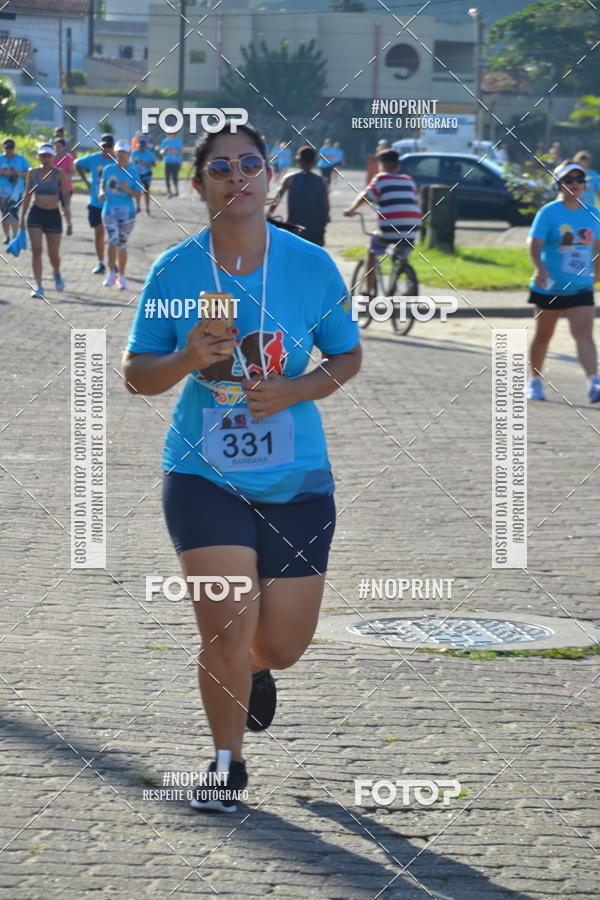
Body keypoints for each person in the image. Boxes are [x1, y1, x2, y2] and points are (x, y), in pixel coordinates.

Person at [122, 120, 361, 813]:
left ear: (268, 177)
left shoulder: (311, 266)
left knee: (279, 645)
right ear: (200, 185)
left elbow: (346, 357)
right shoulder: (175, 270)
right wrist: (187, 360)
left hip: (298, 481)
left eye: (248, 165)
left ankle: (255, 671)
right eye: (220, 169)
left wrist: (295, 389)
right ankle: (226, 765)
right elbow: (139, 375)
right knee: (224, 628)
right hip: (203, 476)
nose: (236, 179)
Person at [526, 160, 600, 403]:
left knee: (584, 333)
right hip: (550, 285)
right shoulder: (549, 212)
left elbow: (598, 247)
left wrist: (597, 273)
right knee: (544, 335)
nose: (575, 184)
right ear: (559, 184)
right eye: (569, 180)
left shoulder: (593, 213)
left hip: (580, 286)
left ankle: (594, 382)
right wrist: (540, 269)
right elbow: (534, 244)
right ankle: (534, 381)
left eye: (580, 180)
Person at [343, 148, 421, 295]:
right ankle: (408, 278)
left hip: (390, 228)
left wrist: (351, 209)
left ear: (381, 165)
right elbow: (416, 201)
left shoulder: (381, 179)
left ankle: (368, 290)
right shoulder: (408, 180)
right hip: (412, 225)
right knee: (403, 249)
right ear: (398, 166)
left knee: (372, 251)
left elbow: (366, 196)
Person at [19, 143, 69, 298]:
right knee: (36, 250)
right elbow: (27, 195)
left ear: (52, 157)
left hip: (53, 215)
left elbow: (65, 194)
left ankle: (56, 272)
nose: (46, 158)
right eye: (43, 155)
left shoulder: (59, 173)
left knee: (53, 254)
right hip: (36, 213)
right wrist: (22, 217)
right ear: (38, 156)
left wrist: (66, 208)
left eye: (48, 155)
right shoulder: (32, 173)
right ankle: (39, 285)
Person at [98, 139, 140, 290]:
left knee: (121, 245)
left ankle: (121, 276)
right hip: (109, 211)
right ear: (115, 153)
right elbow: (103, 184)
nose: (121, 156)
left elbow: (138, 194)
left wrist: (127, 189)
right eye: (119, 153)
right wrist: (102, 193)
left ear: (129, 155)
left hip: (127, 214)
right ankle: (111, 273)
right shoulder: (108, 169)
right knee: (112, 240)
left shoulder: (133, 171)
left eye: (124, 153)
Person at [267, 145, 329, 246]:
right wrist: (326, 218)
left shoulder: (289, 178)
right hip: (316, 230)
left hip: (296, 229)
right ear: (314, 162)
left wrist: (268, 214)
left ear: (298, 160)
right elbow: (326, 205)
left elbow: (276, 199)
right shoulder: (323, 181)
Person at [76, 133, 115, 275]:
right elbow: (77, 164)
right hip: (95, 203)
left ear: (113, 147)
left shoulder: (117, 161)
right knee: (99, 233)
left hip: (112, 204)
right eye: (103, 146)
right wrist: (85, 181)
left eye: (109, 146)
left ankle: (113, 263)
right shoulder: (93, 159)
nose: (106, 149)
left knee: (112, 235)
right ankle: (101, 263)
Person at [0, 138, 29, 243]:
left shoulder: (21, 159)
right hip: (2, 192)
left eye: (11, 148)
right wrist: (2, 172)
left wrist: (16, 174)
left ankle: (16, 237)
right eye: (7, 148)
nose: (9, 150)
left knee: (13, 211)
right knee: (4, 214)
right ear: (4, 148)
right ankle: (7, 236)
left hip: (17, 191)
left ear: (14, 148)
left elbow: (29, 172)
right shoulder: (0, 158)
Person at [52, 138, 74, 235]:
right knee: (53, 208)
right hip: (53, 188)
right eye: (56, 146)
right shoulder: (51, 158)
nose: (57, 148)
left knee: (66, 208)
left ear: (63, 147)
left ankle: (69, 224)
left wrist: (64, 179)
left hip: (66, 188)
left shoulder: (68, 158)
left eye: (60, 146)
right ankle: (53, 226)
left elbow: (72, 172)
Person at [132, 137, 156, 214]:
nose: (140, 148)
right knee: (137, 191)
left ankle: (147, 208)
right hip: (137, 175)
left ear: (145, 146)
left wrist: (145, 164)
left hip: (146, 175)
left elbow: (154, 164)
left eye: (142, 146)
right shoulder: (134, 153)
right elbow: (131, 164)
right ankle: (138, 207)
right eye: (139, 146)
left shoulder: (149, 153)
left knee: (146, 192)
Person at [159, 131, 183, 197]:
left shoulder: (177, 141)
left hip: (175, 162)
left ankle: (176, 190)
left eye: (171, 133)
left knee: (175, 177)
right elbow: (161, 152)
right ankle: (169, 192)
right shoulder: (164, 141)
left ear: (173, 134)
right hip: (167, 162)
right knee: (167, 178)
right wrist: (165, 151)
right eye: (168, 133)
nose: (169, 134)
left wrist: (174, 151)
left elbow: (181, 151)